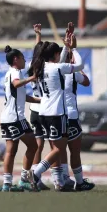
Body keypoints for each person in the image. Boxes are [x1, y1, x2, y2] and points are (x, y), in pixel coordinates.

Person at [30, 33, 84, 192]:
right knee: (59, 149)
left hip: (43, 113)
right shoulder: (58, 67)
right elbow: (79, 65)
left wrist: (66, 48)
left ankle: (57, 179)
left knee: (55, 147)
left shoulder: (40, 67)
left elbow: (58, 63)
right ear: (54, 54)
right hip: (56, 113)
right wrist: (73, 49)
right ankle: (36, 172)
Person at [0, 45, 40, 192]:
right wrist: (32, 78)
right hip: (16, 118)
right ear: (16, 59)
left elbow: (22, 95)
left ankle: (6, 184)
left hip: (7, 117)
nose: (24, 61)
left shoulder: (10, 73)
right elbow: (16, 84)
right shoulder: (15, 72)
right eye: (23, 58)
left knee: (11, 150)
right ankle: (23, 180)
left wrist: (39, 100)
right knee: (33, 146)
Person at [61, 31, 95, 191]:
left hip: (56, 115)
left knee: (58, 150)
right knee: (74, 150)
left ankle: (61, 180)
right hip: (71, 115)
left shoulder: (50, 71)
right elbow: (87, 81)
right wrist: (76, 63)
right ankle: (79, 182)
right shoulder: (73, 73)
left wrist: (66, 47)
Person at [28, 23, 50, 191]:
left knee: (38, 146)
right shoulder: (48, 68)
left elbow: (37, 50)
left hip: (34, 112)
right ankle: (58, 177)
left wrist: (38, 36)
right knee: (55, 146)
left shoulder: (33, 66)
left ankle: (36, 177)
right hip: (46, 110)